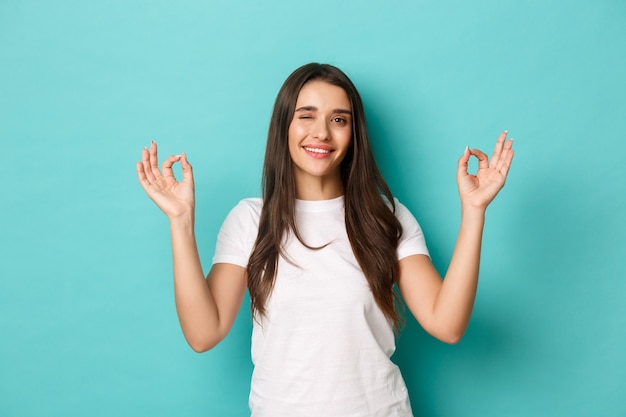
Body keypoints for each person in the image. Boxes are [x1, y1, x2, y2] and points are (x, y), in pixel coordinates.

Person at [136, 63, 514, 417]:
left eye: (339, 120)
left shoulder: (384, 216)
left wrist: (474, 211)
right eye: (306, 116)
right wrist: (181, 221)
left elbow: (447, 324)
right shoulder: (251, 220)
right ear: (284, 125)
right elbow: (204, 333)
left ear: (354, 134)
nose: (322, 132)